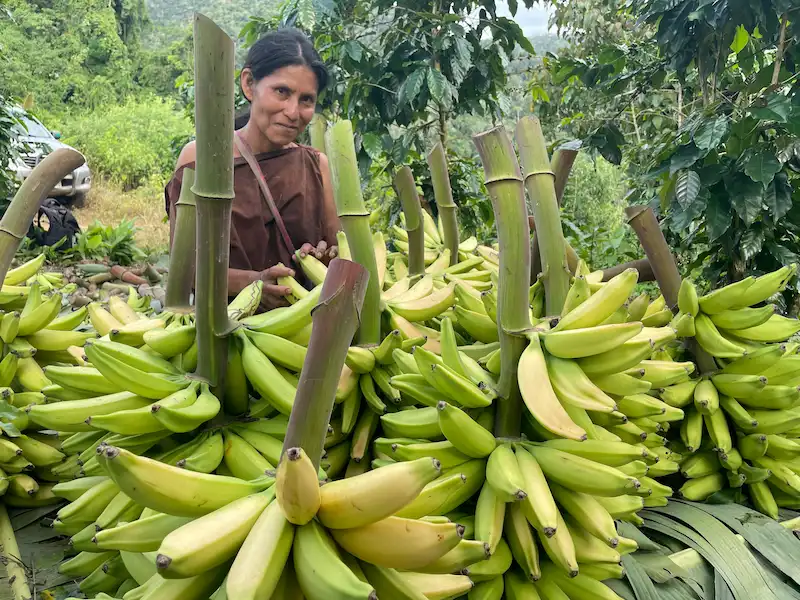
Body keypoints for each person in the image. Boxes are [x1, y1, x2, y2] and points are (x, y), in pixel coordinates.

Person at [165, 28, 340, 310]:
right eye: (282, 92)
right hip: (221, 329)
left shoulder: (317, 166)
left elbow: (339, 257)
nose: (294, 112)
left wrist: (322, 258)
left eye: (306, 100)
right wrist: (254, 281)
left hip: (303, 330)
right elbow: (185, 270)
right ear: (249, 84)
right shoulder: (201, 158)